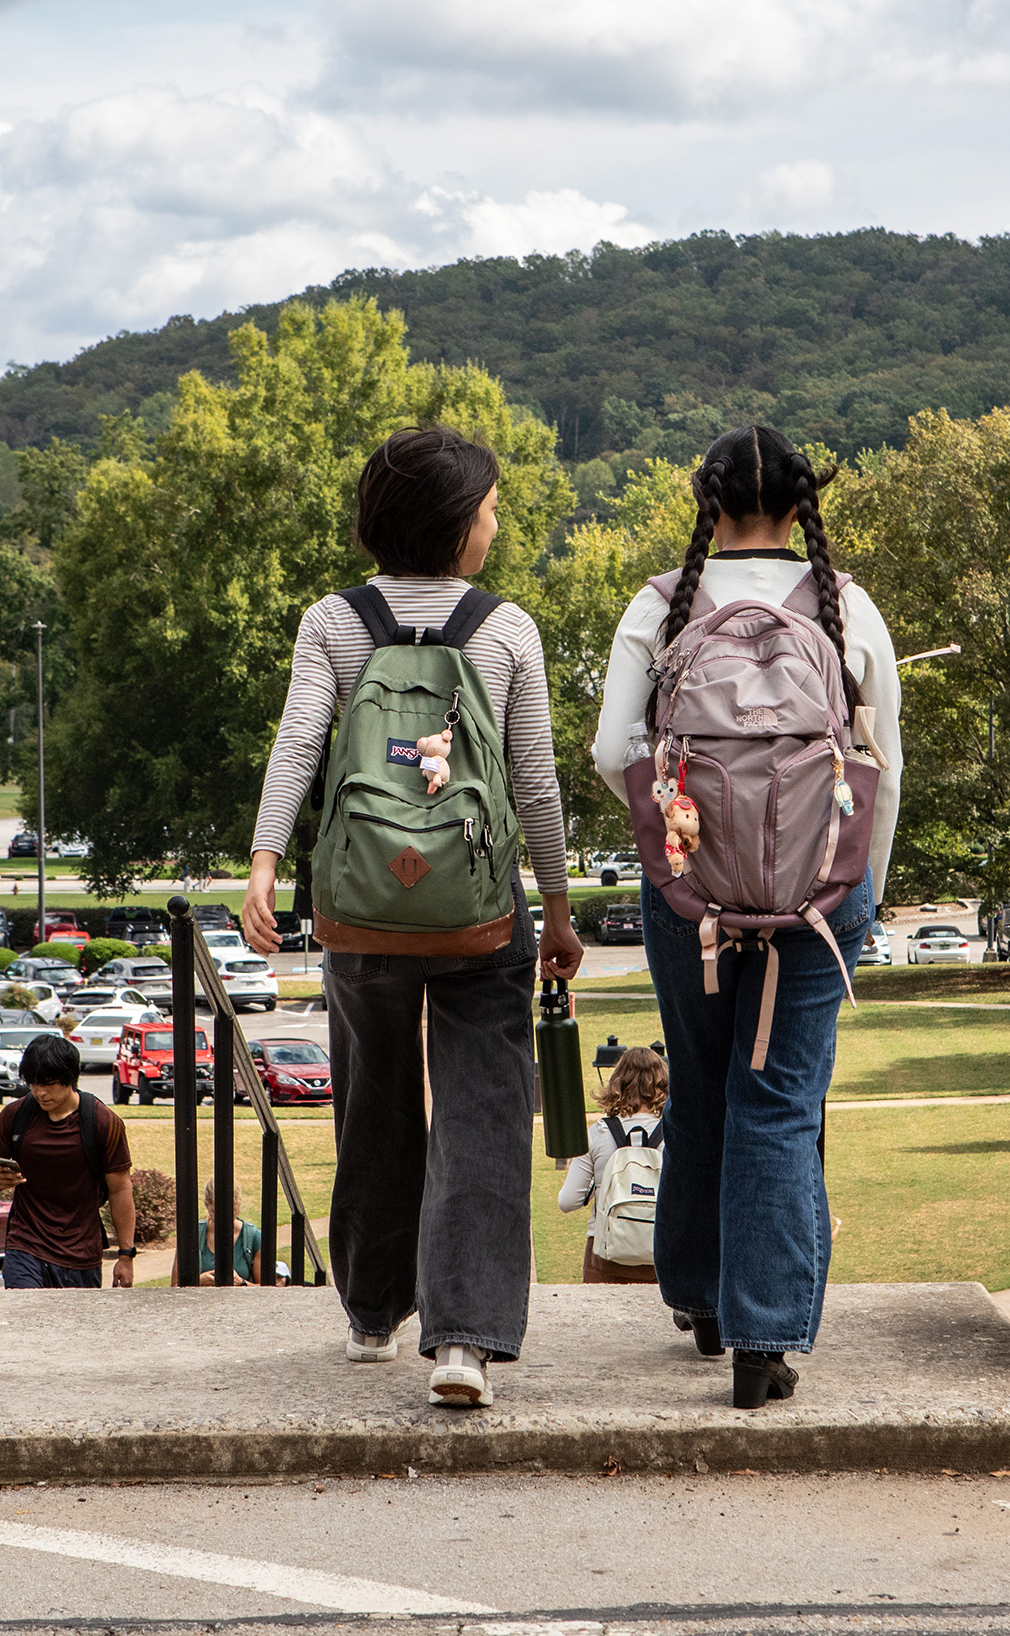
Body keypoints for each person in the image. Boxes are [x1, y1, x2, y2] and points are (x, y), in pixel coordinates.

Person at [244, 425, 585, 1408]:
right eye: (487, 506)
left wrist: (266, 862)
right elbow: (532, 781)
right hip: (480, 914)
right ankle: (466, 1340)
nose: (494, 521)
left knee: (374, 1106)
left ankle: (368, 1312)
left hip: (361, 911)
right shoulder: (506, 627)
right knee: (481, 1116)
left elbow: (298, 743)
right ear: (454, 524)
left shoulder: (333, 621)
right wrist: (556, 909)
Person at [587, 424, 902, 1409]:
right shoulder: (848, 607)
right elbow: (880, 761)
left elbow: (609, 748)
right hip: (817, 894)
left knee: (705, 1092)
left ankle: (699, 1297)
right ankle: (763, 1338)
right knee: (780, 1100)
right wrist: (863, 884)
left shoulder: (660, 604)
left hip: (692, 898)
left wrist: (675, 837)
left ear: (707, 501)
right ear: (805, 500)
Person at [0, 1034, 137, 1289]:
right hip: (24, 1245)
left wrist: (125, 1255)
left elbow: (120, 1189)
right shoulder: (16, 1115)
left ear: (70, 1079)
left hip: (80, 1255)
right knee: (26, 1319)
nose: (40, 1092)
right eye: (33, 1083)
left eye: (49, 1084)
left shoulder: (103, 1122)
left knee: (71, 1329)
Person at [557, 1043, 669, 1284]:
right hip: (662, 1255)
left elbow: (567, 1202)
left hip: (606, 1257)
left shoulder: (597, 1134)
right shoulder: (675, 1134)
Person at [196, 1176, 268, 1285]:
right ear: (206, 1206)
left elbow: (266, 1289)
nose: (223, 1217)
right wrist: (198, 1282)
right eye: (215, 1211)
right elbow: (175, 1286)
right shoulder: (193, 1234)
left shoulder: (253, 1237)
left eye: (230, 1211)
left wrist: (241, 1283)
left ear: (238, 1206)